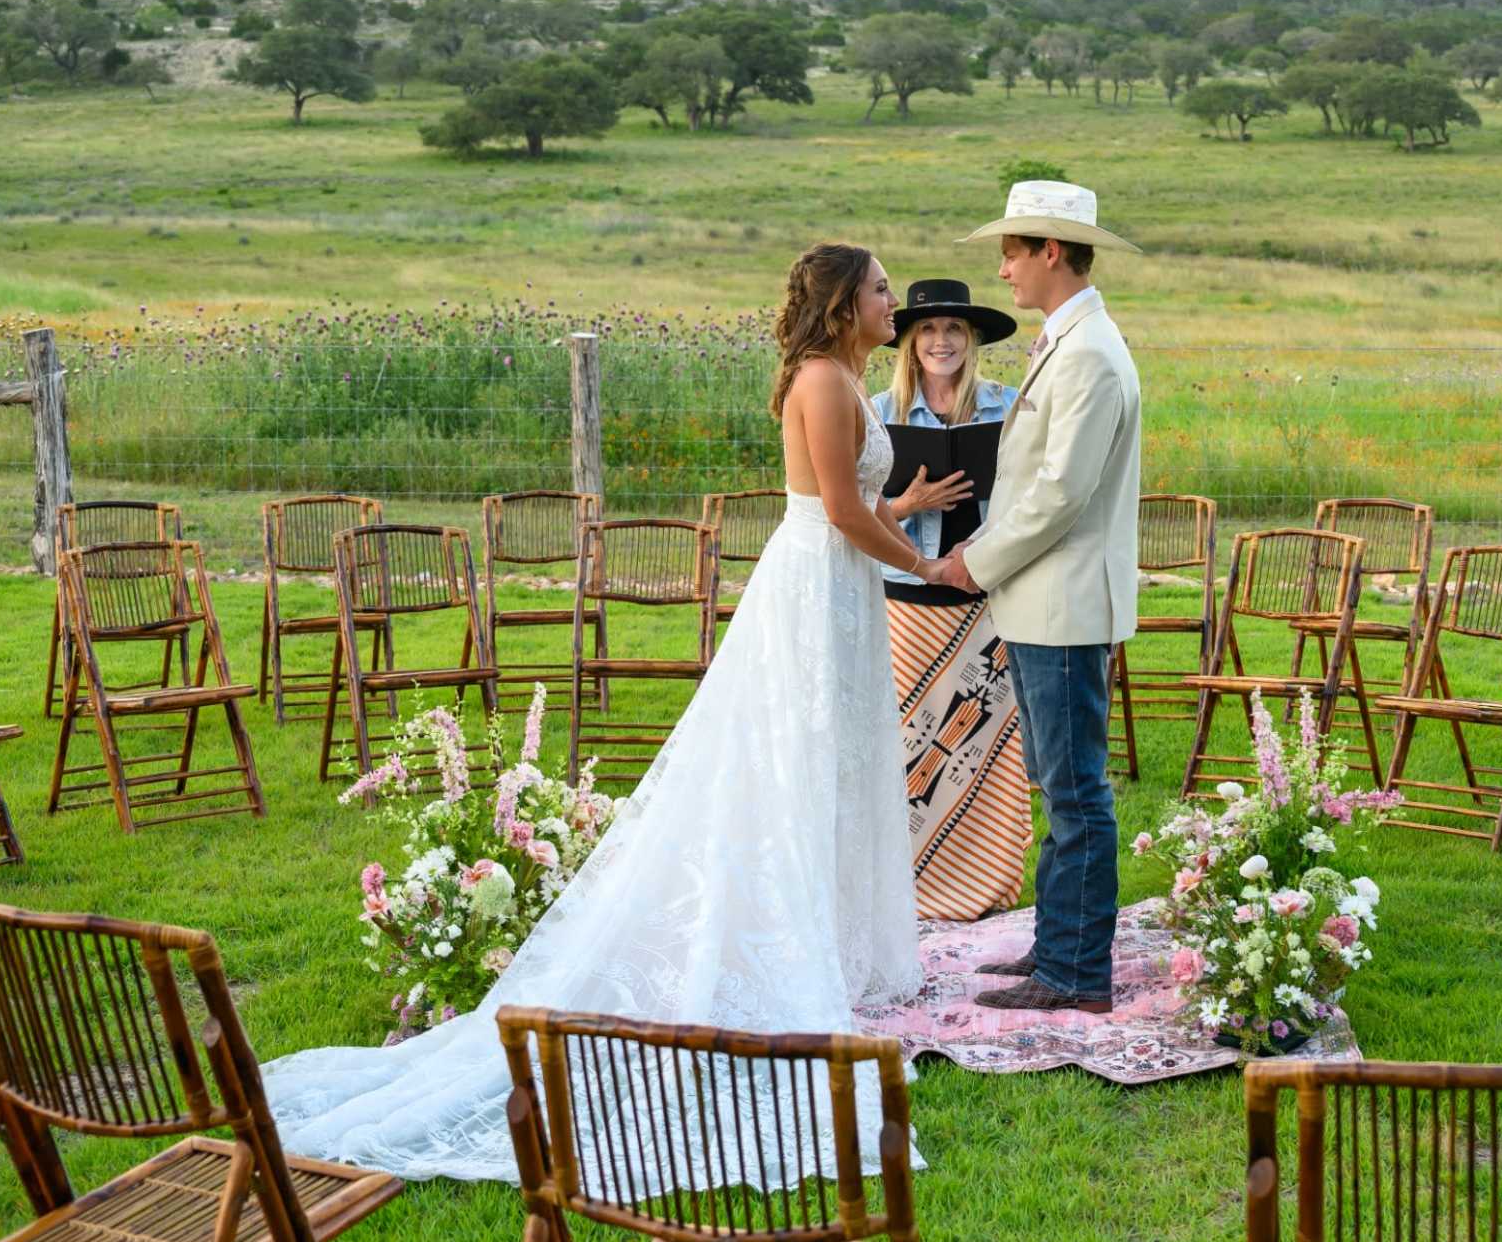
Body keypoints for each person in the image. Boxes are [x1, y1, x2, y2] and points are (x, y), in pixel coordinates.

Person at [263, 243, 968, 1183]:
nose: (896, 301)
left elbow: (850, 495)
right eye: (884, 288)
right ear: (847, 303)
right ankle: (784, 942)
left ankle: (830, 939)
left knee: (829, 758)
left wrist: (904, 500)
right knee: (797, 763)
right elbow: (837, 510)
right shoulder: (828, 382)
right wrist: (922, 560)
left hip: (831, 586)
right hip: (819, 585)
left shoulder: (834, 373)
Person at [930, 182, 1144, 1014]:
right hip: (1044, 598)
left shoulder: (1089, 352)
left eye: (1013, 250)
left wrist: (972, 562)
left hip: (1060, 601)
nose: (1003, 267)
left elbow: (1060, 494)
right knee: (1061, 785)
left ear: (1051, 250)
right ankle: (1058, 949)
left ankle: (1076, 972)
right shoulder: (1072, 340)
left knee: (1076, 790)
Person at [874, 278, 1034, 923]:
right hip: (908, 597)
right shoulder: (879, 411)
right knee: (909, 741)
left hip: (985, 595)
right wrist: (910, 506)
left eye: (955, 331)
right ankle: (904, 881)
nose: (942, 341)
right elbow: (852, 509)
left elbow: (1033, 499)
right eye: (929, 331)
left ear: (971, 342)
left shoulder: (1009, 407)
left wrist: (980, 553)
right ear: (910, 343)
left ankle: (985, 877)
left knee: (986, 741)